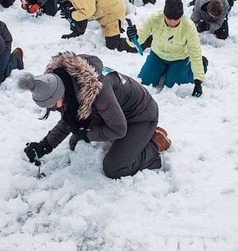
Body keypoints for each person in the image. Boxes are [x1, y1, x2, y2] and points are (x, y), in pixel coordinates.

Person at [18, 52, 171, 179]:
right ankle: (137, 139)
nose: (53, 109)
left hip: (140, 117)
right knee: (75, 141)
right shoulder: (67, 83)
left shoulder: (97, 92)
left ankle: (155, 143)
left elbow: (119, 129)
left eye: (52, 105)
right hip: (116, 113)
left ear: (59, 94)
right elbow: (70, 119)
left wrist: (86, 134)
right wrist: (45, 146)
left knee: (114, 168)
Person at [127, 0, 206, 97]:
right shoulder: (154, 18)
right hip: (157, 55)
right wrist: (132, 37)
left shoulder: (188, 26)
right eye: (169, 18)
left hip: (179, 59)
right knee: (144, 81)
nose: (172, 22)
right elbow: (139, 40)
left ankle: (201, 66)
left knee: (171, 86)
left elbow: (195, 53)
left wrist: (198, 81)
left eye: (176, 19)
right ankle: (163, 69)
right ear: (164, 14)